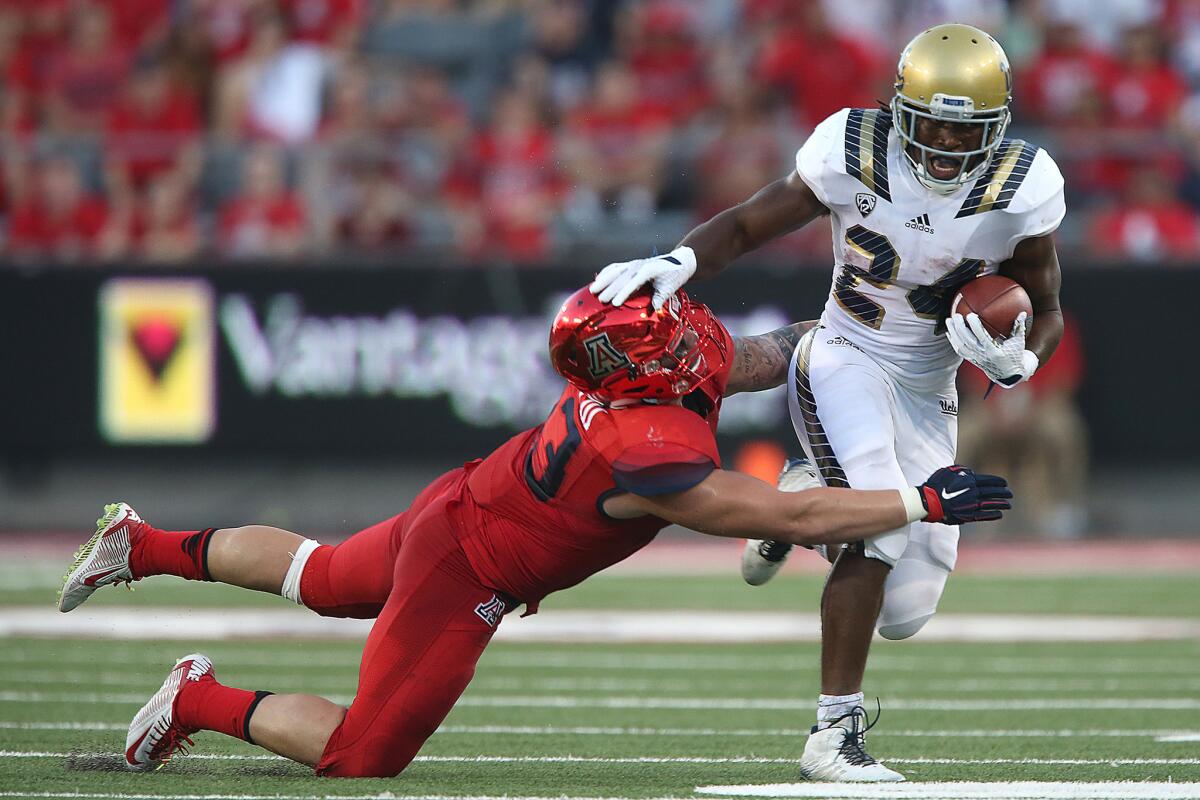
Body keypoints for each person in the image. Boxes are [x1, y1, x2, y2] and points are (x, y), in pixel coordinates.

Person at [56, 285, 1011, 779]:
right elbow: (780, 513)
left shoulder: (635, 378)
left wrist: (902, 328)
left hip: (465, 501)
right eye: (674, 338)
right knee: (363, 754)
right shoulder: (652, 449)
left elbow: (781, 349)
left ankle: (136, 544)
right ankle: (196, 697)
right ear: (647, 365)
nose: (696, 339)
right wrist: (922, 502)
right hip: (469, 564)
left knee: (319, 577)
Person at [590, 23, 1065, 782]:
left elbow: (1045, 306)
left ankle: (802, 504)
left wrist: (1019, 360)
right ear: (899, 108)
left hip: (929, 386)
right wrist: (681, 258)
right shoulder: (853, 148)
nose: (944, 142)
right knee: (880, 531)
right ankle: (830, 737)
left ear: (999, 127)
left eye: (964, 127)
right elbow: (750, 221)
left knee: (907, 611)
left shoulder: (1022, 188)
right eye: (932, 121)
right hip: (846, 355)